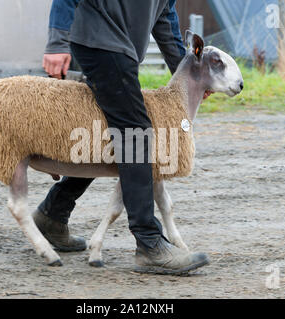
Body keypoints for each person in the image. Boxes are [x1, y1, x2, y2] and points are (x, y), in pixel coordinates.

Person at [33, 0, 208, 274]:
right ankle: (149, 244)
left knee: (106, 133)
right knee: (136, 132)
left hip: (116, 49)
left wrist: (189, 74)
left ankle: (52, 214)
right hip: (100, 44)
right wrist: (57, 43)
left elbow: (164, 16)